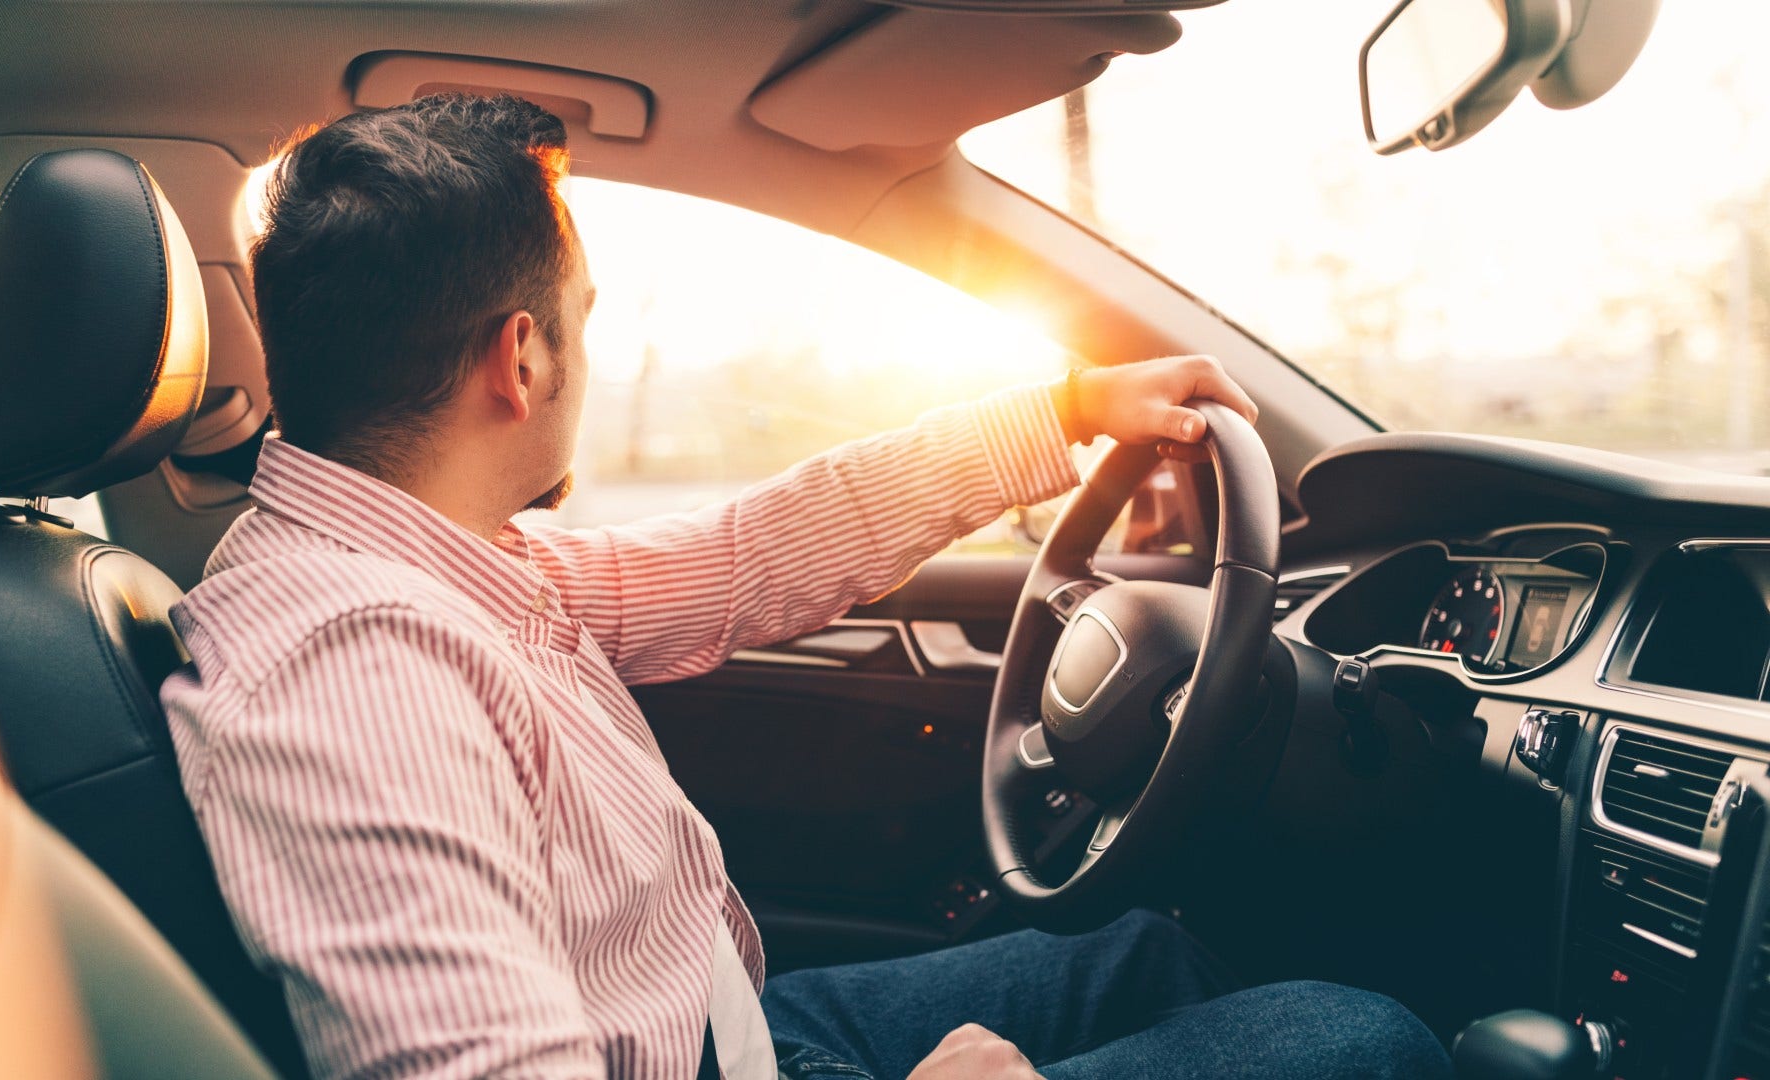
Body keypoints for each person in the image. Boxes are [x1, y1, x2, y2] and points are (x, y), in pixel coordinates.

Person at [161, 93, 1451, 1080]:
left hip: (729, 1035)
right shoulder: (356, 670)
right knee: (1359, 1042)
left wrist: (1062, 414)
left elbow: (741, 560)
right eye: (583, 317)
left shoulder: (439, 560)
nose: (585, 351)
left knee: (1154, 956)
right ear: (523, 360)